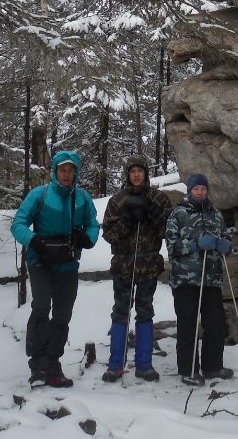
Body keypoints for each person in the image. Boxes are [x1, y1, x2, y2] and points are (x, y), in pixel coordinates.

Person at [11, 149, 99, 387]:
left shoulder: (82, 198)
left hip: (68, 263)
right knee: (40, 307)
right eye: (63, 170)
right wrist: (34, 240)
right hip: (40, 261)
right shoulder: (40, 195)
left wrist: (87, 238)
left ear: (76, 172)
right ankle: (37, 366)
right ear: (55, 171)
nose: (67, 174)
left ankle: (52, 364)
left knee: (62, 315)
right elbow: (18, 223)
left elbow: (93, 224)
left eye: (71, 170)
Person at [100, 154, 174, 382]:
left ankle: (144, 365)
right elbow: (108, 235)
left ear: (145, 173)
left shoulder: (159, 199)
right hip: (123, 265)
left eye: (139, 171)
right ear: (127, 174)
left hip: (149, 265)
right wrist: (127, 221)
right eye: (132, 171)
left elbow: (168, 232)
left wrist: (151, 216)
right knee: (121, 312)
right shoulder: (118, 200)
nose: (136, 175)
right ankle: (115, 364)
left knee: (145, 312)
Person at [164, 172, 234, 386]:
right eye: (196, 189)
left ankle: (212, 366)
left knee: (215, 323)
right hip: (186, 280)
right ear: (189, 191)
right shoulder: (178, 215)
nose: (200, 192)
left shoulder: (216, 215)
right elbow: (172, 247)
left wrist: (226, 246)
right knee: (188, 325)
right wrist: (194, 245)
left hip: (211, 279)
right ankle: (188, 369)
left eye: (203, 189)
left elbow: (226, 237)